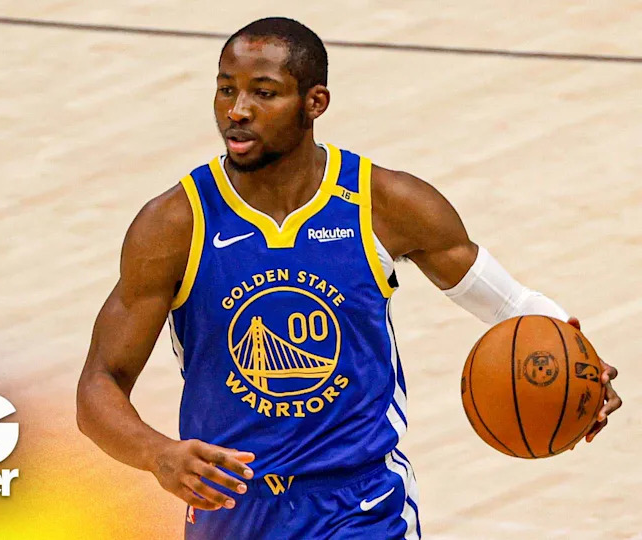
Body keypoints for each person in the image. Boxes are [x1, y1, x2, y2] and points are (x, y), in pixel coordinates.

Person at [75, 16, 621, 539]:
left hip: (361, 504)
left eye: (263, 93)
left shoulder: (384, 203)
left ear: (315, 102)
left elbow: (514, 307)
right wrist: (158, 454)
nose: (237, 110)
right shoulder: (175, 224)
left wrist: (585, 375)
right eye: (226, 90)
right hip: (230, 505)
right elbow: (99, 384)